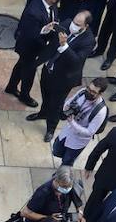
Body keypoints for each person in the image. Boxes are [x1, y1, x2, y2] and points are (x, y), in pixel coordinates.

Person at [32, 13, 97, 143]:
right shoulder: (67, 23)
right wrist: (47, 29)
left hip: (64, 77)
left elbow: (77, 61)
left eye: (78, 24)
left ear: (86, 26)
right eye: (74, 21)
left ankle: (50, 128)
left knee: (56, 104)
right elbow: (51, 36)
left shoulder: (88, 40)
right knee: (45, 93)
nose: (73, 25)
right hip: (49, 68)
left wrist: (64, 46)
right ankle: (43, 112)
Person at [5, 0, 62, 109]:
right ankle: (24, 95)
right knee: (29, 71)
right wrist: (45, 33)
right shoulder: (34, 12)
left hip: (37, 43)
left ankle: (11, 86)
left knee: (21, 65)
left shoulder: (50, 4)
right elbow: (31, 35)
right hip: (29, 47)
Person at [49, 75, 107, 162]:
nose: (88, 92)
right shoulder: (82, 92)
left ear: (100, 94)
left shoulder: (100, 111)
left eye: (93, 92)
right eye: (88, 88)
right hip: (66, 132)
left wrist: (72, 123)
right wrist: (66, 107)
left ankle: (61, 174)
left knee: (67, 162)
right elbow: (70, 101)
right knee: (56, 151)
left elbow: (90, 132)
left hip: (77, 141)